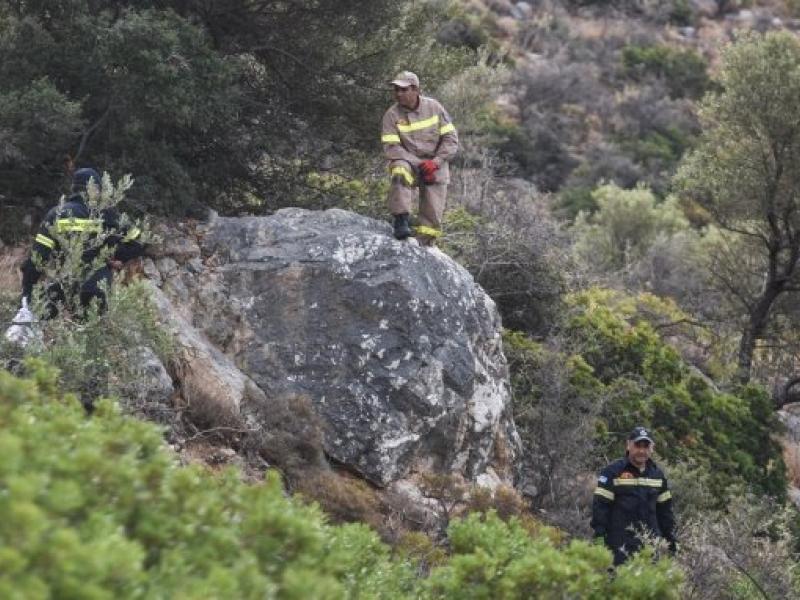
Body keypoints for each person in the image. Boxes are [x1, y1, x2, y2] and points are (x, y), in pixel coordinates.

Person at [19, 167, 144, 319]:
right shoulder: (107, 214)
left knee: (45, 323)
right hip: (97, 291)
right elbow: (138, 241)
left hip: (65, 287)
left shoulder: (56, 214)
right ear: (96, 190)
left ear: (73, 189)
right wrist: (115, 256)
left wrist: (26, 299)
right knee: (89, 334)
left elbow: (36, 260)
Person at [381, 70, 459, 246]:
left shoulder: (434, 108)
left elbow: (451, 140)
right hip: (408, 162)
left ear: (416, 90)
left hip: (436, 165)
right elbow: (392, 148)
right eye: (396, 90)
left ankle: (424, 243)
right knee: (399, 168)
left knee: (432, 215)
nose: (398, 94)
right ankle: (401, 219)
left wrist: (436, 163)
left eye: (403, 89)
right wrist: (419, 163)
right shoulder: (391, 115)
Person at [591, 426, 677, 566]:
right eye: (637, 445)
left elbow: (665, 512)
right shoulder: (612, 472)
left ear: (652, 448)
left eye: (646, 446)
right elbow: (600, 506)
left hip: (650, 547)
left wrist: (671, 539)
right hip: (619, 547)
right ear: (628, 445)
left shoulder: (658, 476)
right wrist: (599, 536)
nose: (641, 451)